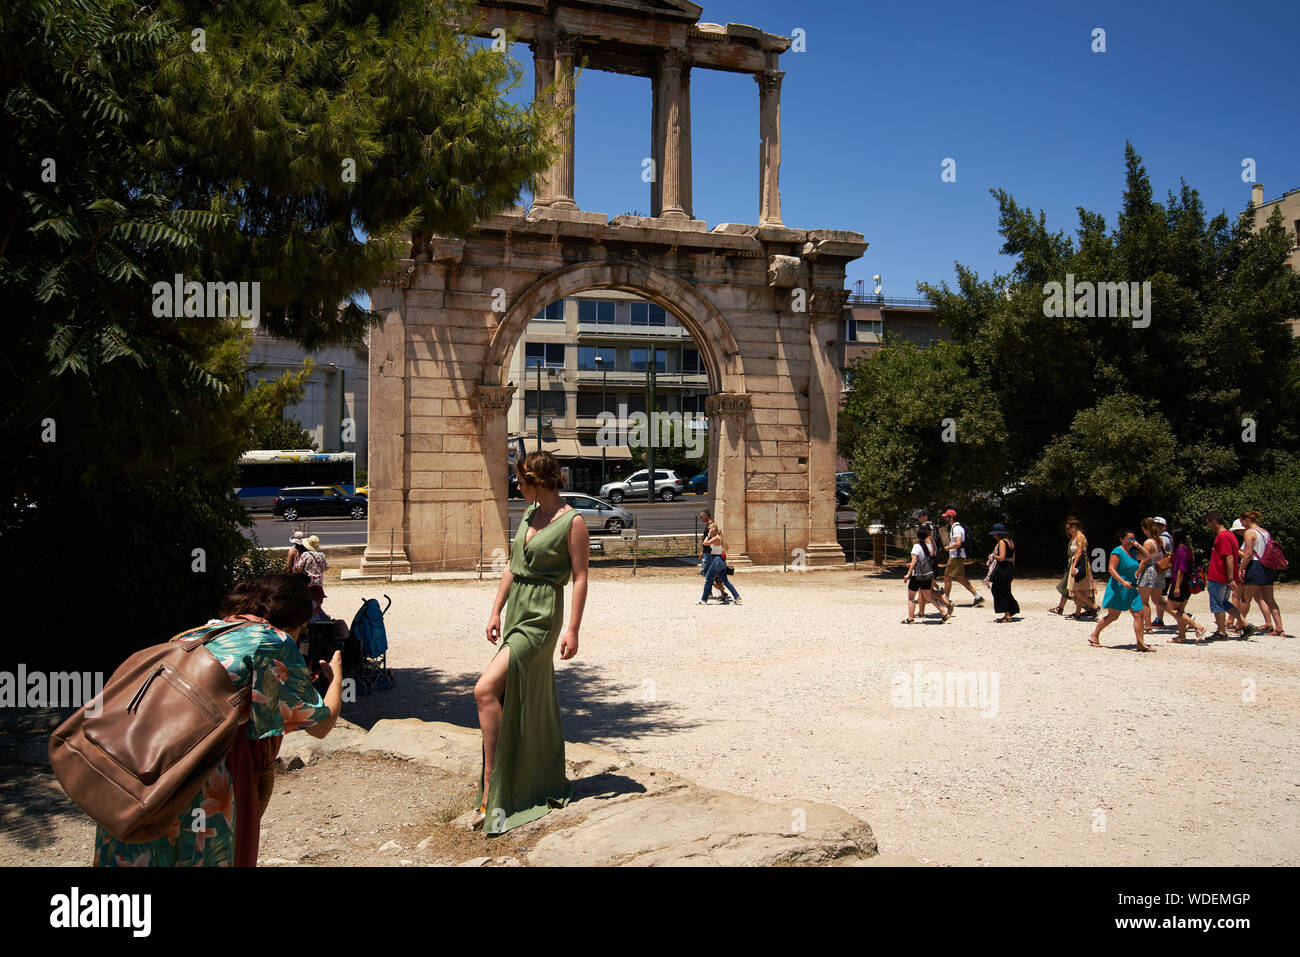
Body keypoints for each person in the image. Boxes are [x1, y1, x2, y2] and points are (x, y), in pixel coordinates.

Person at [94, 574, 343, 866]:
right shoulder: (273, 642)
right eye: (301, 630)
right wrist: (336, 677)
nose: (299, 638)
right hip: (200, 783)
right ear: (290, 623)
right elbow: (321, 726)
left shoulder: (200, 633)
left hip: (142, 779)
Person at [474, 450, 588, 835]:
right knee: (513, 693)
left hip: (542, 616)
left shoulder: (573, 522)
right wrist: (494, 611)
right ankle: (522, 778)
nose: (516, 488)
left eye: (520, 482)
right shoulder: (527, 514)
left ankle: (494, 782)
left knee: (485, 690)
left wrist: (573, 630)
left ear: (537, 482)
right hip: (517, 610)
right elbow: (511, 566)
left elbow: (581, 577)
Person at [1089, 529, 1155, 652]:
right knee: (1113, 616)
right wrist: (1123, 582)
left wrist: (1138, 545)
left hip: (1132, 587)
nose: (1131, 541)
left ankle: (1140, 643)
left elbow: (1147, 556)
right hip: (1119, 587)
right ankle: (1095, 634)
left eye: (1133, 539)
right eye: (1129, 539)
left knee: (1139, 614)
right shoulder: (1117, 551)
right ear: (1121, 539)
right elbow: (1111, 569)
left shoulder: (1133, 553)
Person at [1204, 512, 1254, 639]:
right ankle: (1246, 625)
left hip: (1219, 576)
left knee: (1217, 604)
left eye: (1207, 523)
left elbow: (1229, 557)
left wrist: (1231, 578)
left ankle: (1221, 632)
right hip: (1224, 576)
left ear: (1214, 522)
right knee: (1225, 603)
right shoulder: (1230, 536)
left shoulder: (1223, 536)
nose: (1207, 526)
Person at [1239, 511, 1285, 636]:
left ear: (1246, 520)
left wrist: (1241, 568)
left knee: (1246, 598)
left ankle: (1241, 625)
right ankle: (1279, 628)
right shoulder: (1265, 532)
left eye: (1242, 522)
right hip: (1267, 566)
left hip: (1255, 566)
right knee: (1270, 599)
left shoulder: (1249, 532)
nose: (1242, 525)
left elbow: (1248, 554)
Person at [1050, 517, 1098, 618]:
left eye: (1069, 528)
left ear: (1075, 527)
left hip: (1078, 564)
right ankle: (1077, 613)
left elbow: (1079, 552)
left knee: (1075, 590)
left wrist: (1074, 566)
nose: (1068, 531)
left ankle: (1094, 606)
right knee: (1078, 589)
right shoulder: (1076, 537)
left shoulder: (1079, 537)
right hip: (1077, 563)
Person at [1165, 527, 1207, 643]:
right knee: (1180, 611)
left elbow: (1181, 570)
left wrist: (1177, 586)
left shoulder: (1181, 551)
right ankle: (1181, 636)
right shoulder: (1186, 549)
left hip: (1180, 583)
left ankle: (1197, 627)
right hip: (1186, 584)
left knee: (1170, 609)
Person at [902, 525, 949, 624]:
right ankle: (943, 612)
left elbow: (914, 560)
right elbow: (928, 558)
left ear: (917, 536)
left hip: (917, 575)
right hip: (927, 573)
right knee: (928, 596)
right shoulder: (929, 546)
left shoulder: (916, 546)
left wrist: (908, 573)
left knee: (911, 597)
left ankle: (910, 618)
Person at [941, 508, 985, 607]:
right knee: (960, 578)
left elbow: (958, 543)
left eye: (946, 517)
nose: (945, 519)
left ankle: (946, 600)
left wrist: (948, 548)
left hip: (956, 556)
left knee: (947, 577)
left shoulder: (956, 528)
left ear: (951, 517)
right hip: (959, 555)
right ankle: (977, 597)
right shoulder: (956, 527)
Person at [700, 521, 742, 605]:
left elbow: (704, 543)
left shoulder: (716, 537)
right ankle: (737, 597)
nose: (709, 532)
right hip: (719, 560)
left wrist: (708, 535)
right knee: (725, 581)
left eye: (710, 531)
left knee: (708, 579)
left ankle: (703, 600)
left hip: (716, 560)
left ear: (713, 531)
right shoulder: (718, 537)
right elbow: (725, 547)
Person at [1136, 518, 1167, 633]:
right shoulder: (1160, 541)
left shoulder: (1148, 543)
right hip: (1159, 572)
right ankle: (1180, 614)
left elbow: (1145, 560)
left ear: (1144, 529)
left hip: (1149, 572)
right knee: (1158, 600)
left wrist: (1137, 572)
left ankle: (1148, 626)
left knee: (1144, 601)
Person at [987, 524, 1019, 622]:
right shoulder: (1011, 542)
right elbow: (1013, 559)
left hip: (1002, 568)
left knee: (998, 590)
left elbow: (1002, 557)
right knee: (1006, 590)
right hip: (1009, 568)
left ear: (999, 534)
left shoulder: (1001, 542)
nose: (994, 536)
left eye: (995, 534)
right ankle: (1010, 611)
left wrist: (993, 556)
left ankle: (1007, 614)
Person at [698, 509, 728, 601]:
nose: (700, 517)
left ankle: (719, 590)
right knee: (710, 573)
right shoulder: (710, 526)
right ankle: (712, 592)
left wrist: (702, 551)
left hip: (709, 553)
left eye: (702, 515)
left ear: (707, 516)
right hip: (709, 553)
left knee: (706, 573)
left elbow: (708, 541)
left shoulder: (711, 527)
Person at [1154, 517, 1175, 612]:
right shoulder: (1169, 537)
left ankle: (1184, 616)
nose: (1155, 527)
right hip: (1167, 570)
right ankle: (1159, 619)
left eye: (1157, 525)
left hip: (1163, 571)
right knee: (1160, 596)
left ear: (1164, 527)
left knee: (1160, 597)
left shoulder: (1162, 539)